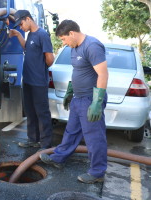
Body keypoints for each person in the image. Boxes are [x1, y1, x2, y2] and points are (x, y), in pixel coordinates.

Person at [39, 19, 109, 184]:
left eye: (63, 39)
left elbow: (103, 74)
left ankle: (97, 172)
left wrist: (97, 102)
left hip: (90, 99)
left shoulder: (92, 46)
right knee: (71, 131)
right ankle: (59, 158)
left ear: (72, 33)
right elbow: (78, 70)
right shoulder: (73, 47)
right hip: (78, 98)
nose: (63, 42)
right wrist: (70, 91)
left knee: (94, 137)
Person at [9, 10, 54, 150]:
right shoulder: (30, 35)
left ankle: (46, 145)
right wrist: (17, 34)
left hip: (39, 82)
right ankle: (33, 139)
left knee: (42, 113)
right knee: (30, 112)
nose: (21, 27)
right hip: (27, 80)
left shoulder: (42, 35)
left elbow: (50, 59)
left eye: (21, 24)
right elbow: (26, 48)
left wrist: (39, 69)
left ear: (28, 19)